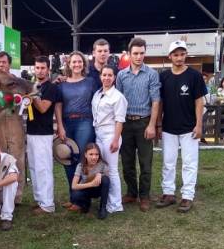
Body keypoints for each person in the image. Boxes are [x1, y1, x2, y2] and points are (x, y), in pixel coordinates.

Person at [156, 40, 207, 213]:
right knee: (168, 162)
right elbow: (160, 102)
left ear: (186, 55)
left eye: (182, 54)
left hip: (189, 128)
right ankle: (168, 193)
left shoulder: (194, 76)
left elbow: (199, 101)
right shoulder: (163, 77)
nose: (179, 58)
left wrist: (199, 125)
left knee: (189, 163)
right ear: (170, 56)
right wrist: (158, 124)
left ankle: (187, 196)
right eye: (176, 54)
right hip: (169, 127)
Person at [115, 37, 161, 212]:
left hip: (143, 122)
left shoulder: (151, 74)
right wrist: (117, 127)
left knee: (145, 163)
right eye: (135, 53)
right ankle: (131, 193)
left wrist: (151, 125)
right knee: (127, 162)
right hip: (125, 123)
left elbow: (156, 101)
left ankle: (145, 196)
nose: (139, 56)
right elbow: (117, 101)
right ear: (129, 54)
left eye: (142, 53)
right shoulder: (121, 75)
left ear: (145, 53)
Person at [55, 51, 101, 208]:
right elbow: (58, 106)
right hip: (67, 123)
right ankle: (74, 197)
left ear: (84, 64)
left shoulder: (91, 82)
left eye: (79, 62)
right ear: (68, 64)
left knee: (82, 159)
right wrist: (60, 126)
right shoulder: (62, 84)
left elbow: (98, 101)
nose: (76, 64)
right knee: (67, 159)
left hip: (85, 122)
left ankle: (84, 199)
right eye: (73, 62)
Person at [0, 51, 26, 205]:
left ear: (9, 64)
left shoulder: (18, 82)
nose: (1, 65)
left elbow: (26, 96)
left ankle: (17, 197)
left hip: (15, 121)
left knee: (18, 159)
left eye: (4, 62)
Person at [92, 65, 128, 213]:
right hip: (98, 134)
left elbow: (120, 120)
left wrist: (115, 139)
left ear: (114, 78)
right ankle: (107, 200)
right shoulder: (97, 93)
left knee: (112, 170)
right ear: (100, 76)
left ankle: (115, 204)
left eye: (110, 75)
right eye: (104, 75)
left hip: (110, 134)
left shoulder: (118, 97)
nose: (106, 78)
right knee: (103, 169)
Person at [26, 56, 58, 215]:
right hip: (30, 131)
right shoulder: (33, 85)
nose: (40, 70)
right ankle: (40, 200)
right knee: (33, 168)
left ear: (48, 69)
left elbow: (43, 108)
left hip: (43, 133)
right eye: (37, 67)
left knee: (43, 169)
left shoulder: (51, 88)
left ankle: (48, 204)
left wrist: (32, 94)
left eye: (43, 68)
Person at [70, 143, 110, 219]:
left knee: (105, 179)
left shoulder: (103, 164)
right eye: (91, 154)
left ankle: (103, 208)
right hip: (86, 189)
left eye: (96, 154)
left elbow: (107, 179)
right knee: (75, 195)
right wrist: (91, 184)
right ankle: (86, 204)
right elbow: (74, 186)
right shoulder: (80, 166)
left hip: (98, 190)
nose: (94, 157)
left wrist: (100, 174)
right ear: (85, 155)